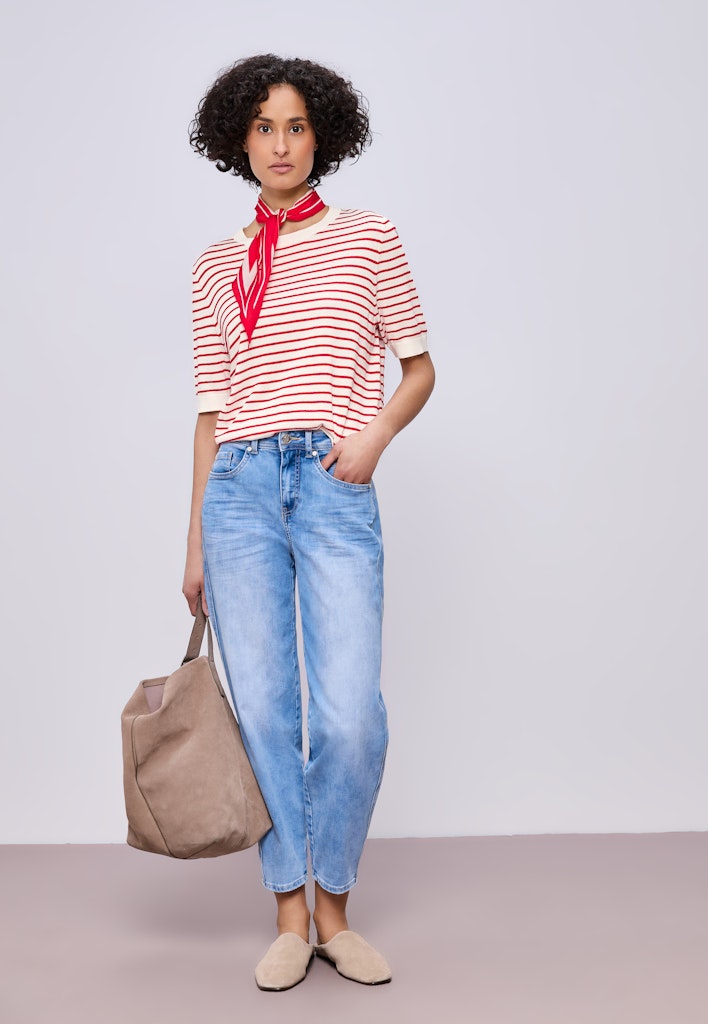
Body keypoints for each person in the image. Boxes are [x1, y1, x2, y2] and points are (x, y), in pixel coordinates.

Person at [183, 54, 435, 991]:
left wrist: (370, 442)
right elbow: (211, 411)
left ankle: (336, 905)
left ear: (321, 134)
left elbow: (418, 368)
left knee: (348, 714)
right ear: (238, 141)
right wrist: (195, 539)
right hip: (238, 490)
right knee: (263, 711)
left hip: (332, 481)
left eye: (295, 126)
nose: (280, 144)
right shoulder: (215, 266)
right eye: (262, 127)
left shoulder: (369, 238)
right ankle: (291, 912)